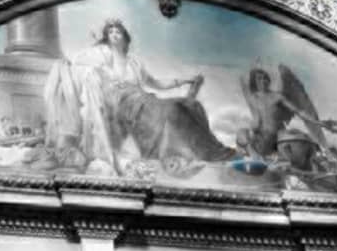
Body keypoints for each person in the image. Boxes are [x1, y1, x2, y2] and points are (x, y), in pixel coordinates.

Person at [43, 18, 230, 174]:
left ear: (124, 36)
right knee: (170, 110)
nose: (114, 35)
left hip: (142, 99)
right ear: (106, 38)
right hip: (122, 104)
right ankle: (176, 156)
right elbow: (79, 63)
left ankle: (201, 151)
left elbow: (157, 84)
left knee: (187, 105)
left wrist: (184, 81)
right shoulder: (102, 55)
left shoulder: (134, 63)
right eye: (110, 32)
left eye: (118, 32)